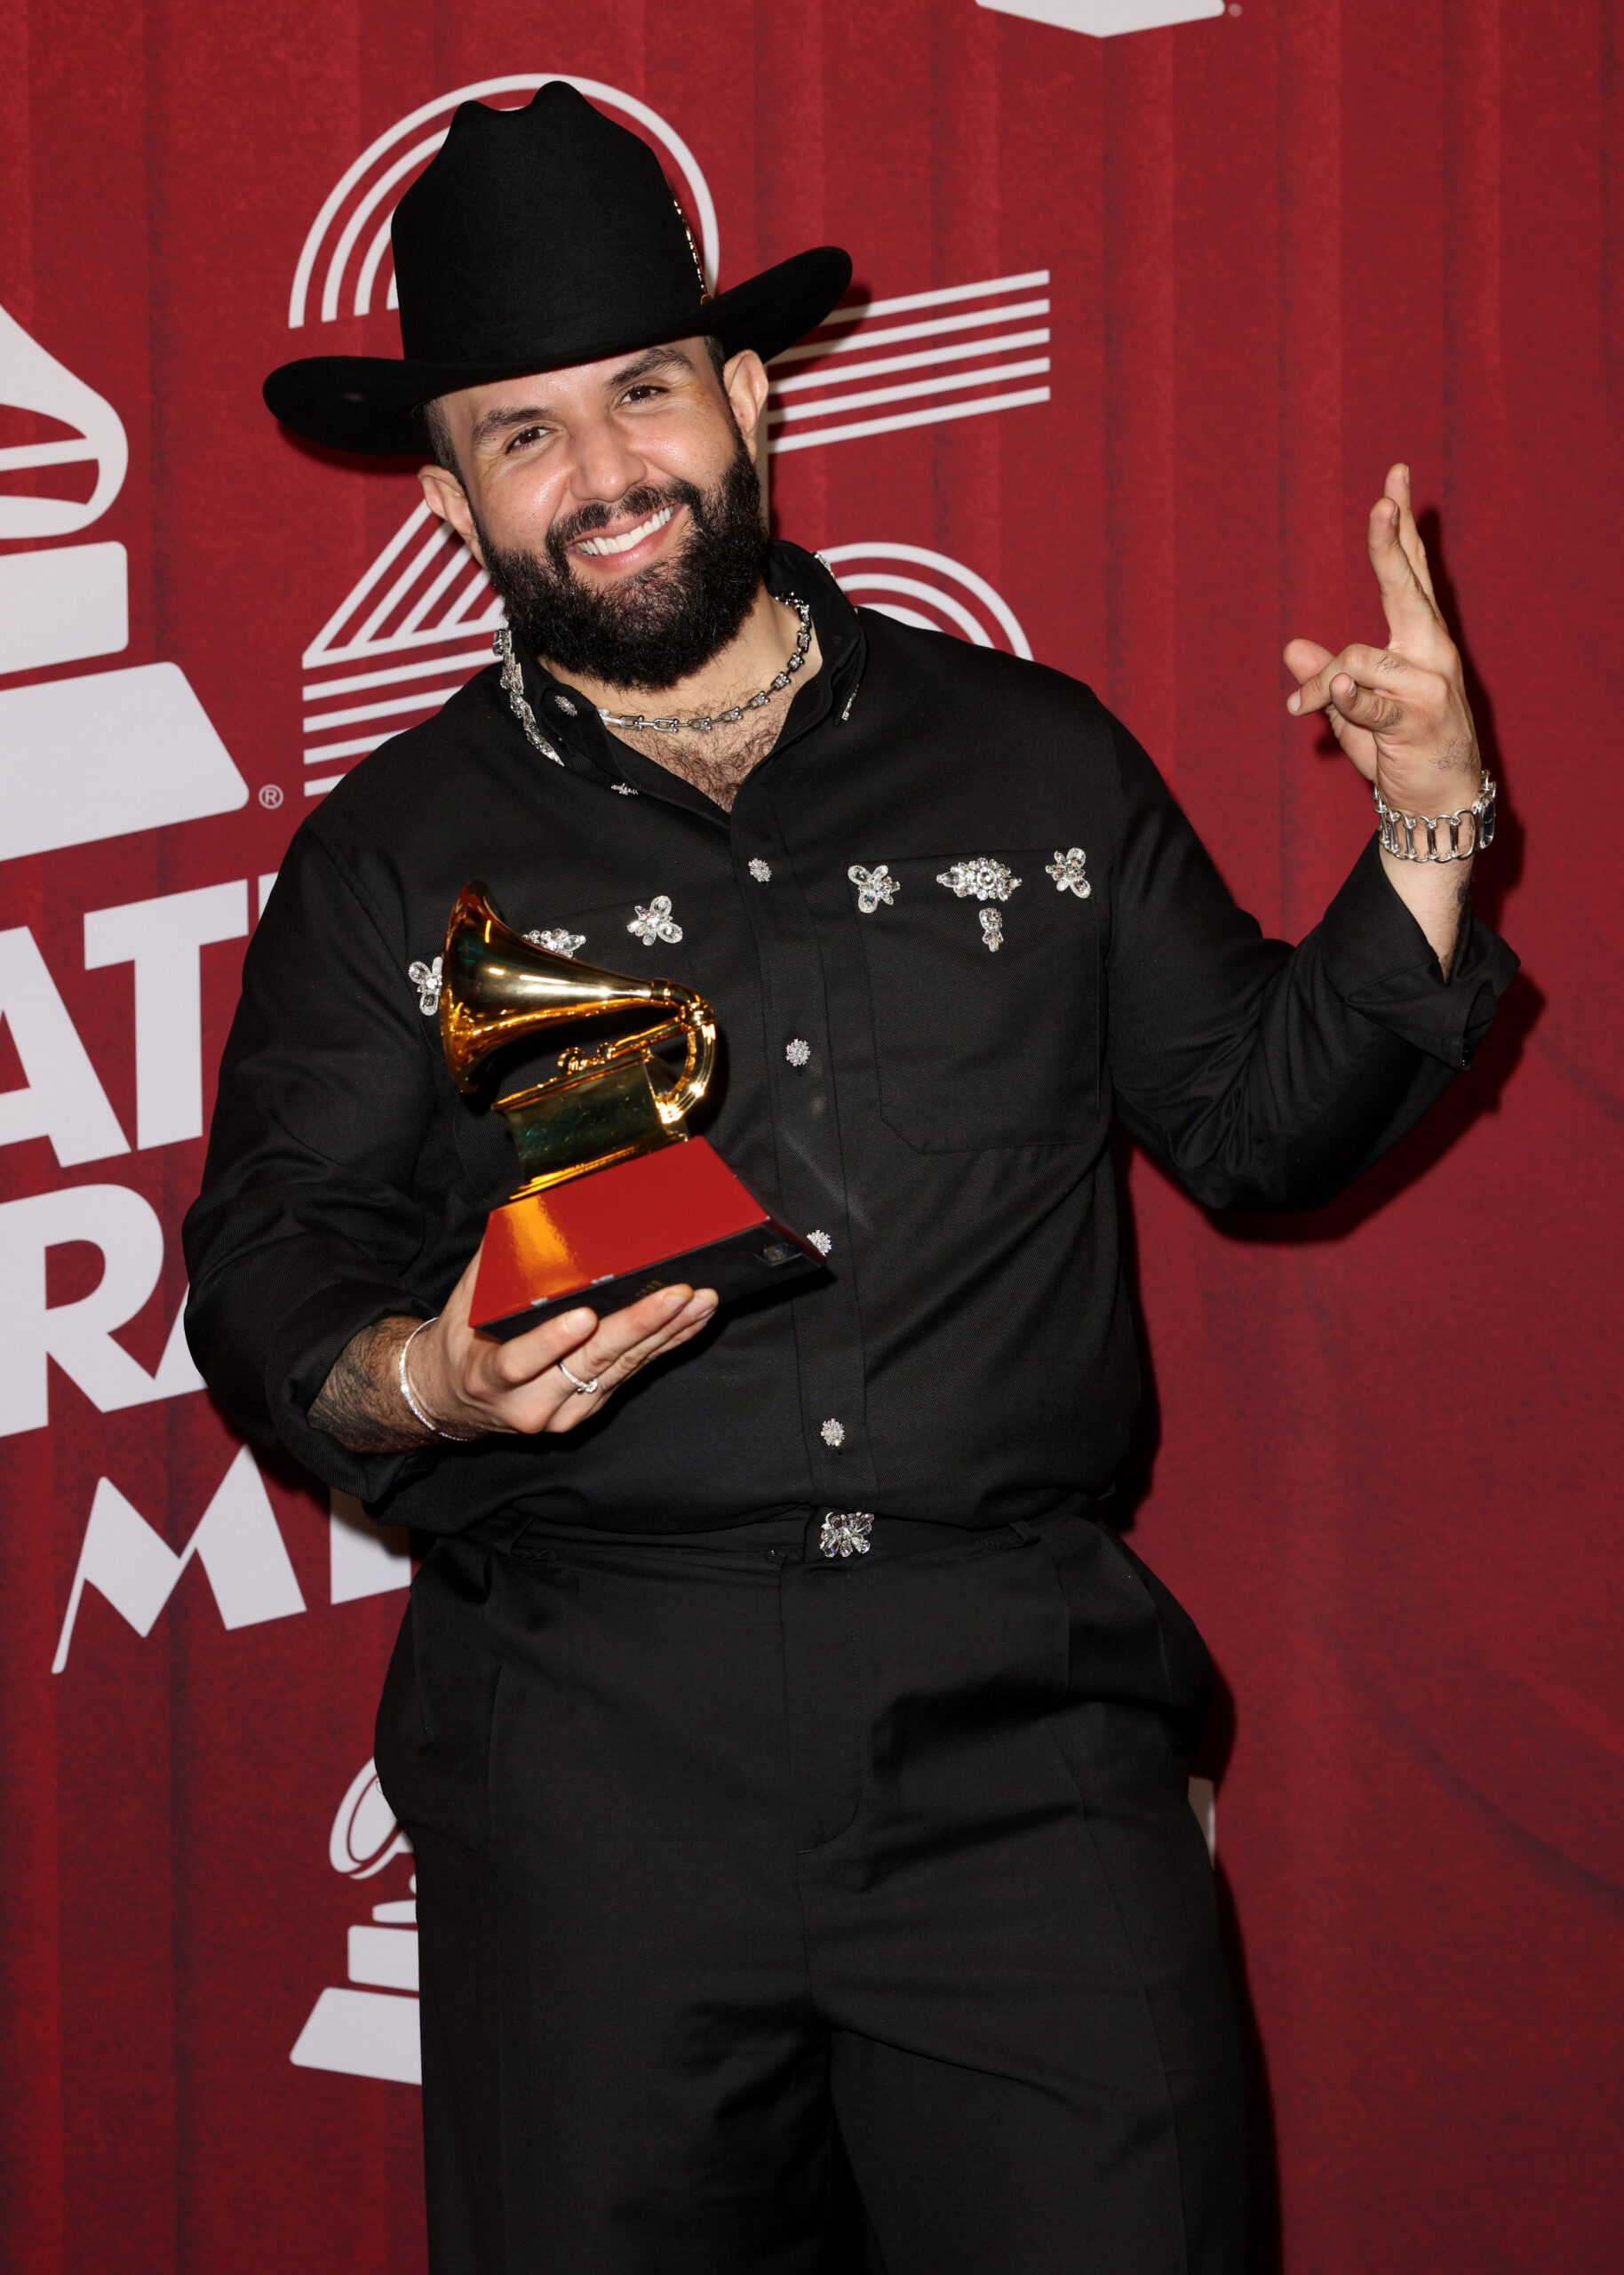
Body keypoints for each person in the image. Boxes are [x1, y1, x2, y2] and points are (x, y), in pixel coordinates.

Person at [186, 80, 1516, 2275]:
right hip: (592, 1750)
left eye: (639, 391)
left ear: (745, 387)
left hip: (1019, 1737)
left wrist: (1428, 829)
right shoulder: (392, 854)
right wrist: (419, 1373)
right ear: (446, 491)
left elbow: (1271, 1129)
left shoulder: (1035, 756)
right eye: (520, 431)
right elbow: (266, 1254)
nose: (603, 472)